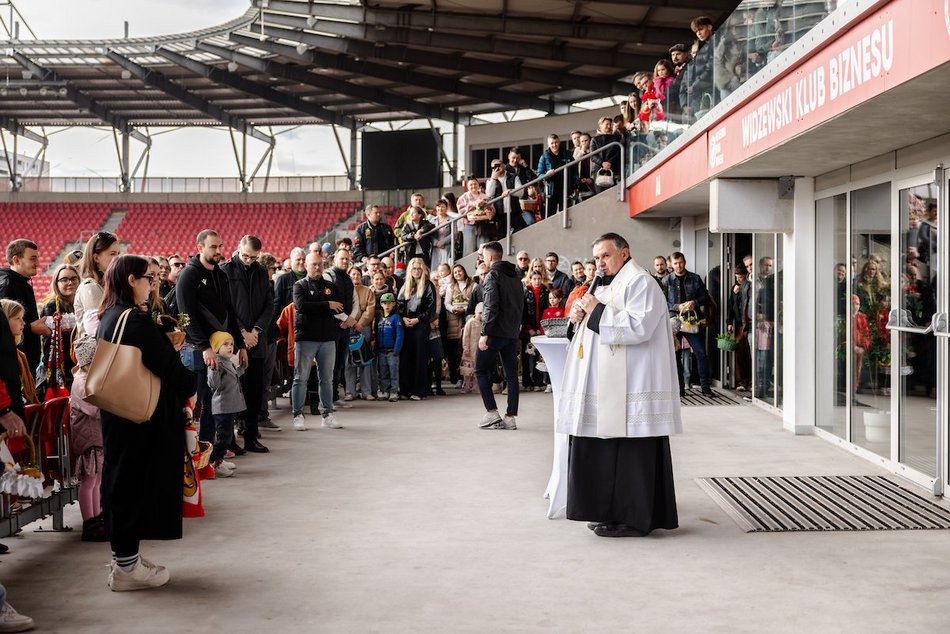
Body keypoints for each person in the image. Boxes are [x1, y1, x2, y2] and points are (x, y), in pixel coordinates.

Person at [559, 233, 681, 537]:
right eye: (596, 257)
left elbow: (637, 327)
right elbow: (596, 324)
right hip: (608, 385)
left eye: (605, 256)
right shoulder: (609, 283)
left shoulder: (641, 282)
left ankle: (634, 518)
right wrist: (578, 317)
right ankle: (609, 511)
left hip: (632, 386)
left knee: (631, 454)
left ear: (624, 253)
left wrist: (595, 311)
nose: (599, 263)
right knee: (606, 450)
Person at [97, 254, 196, 590]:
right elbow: (170, 370)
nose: (152, 285)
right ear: (131, 281)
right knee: (132, 486)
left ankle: (126, 559)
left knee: (123, 481)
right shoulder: (134, 321)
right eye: (148, 279)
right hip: (136, 418)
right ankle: (127, 568)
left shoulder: (112, 314)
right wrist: (190, 380)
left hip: (121, 413)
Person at [176, 231, 252, 453]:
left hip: (219, 350)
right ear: (200, 247)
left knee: (214, 404)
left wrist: (241, 346)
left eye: (220, 246)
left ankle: (211, 456)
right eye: (213, 247)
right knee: (200, 406)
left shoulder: (221, 275)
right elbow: (186, 315)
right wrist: (204, 347)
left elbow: (229, 312)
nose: (219, 251)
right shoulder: (188, 276)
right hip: (198, 351)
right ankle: (197, 457)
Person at [70, 231, 121, 542]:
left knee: (101, 463)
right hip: (91, 375)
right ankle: (92, 521)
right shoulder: (90, 288)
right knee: (93, 462)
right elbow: (96, 328)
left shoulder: (102, 286)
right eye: (112, 253)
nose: (115, 258)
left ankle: (100, 515)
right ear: (97, 255)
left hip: (100, 373)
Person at [219, 235, 275, 449]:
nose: (249, 261)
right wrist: (242, 331)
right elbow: (226, 306)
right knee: (233, 390)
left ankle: (251, 436)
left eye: (254, 257)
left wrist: (256, 330)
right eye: (246, 256)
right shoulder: (225, 271)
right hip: (233, 340)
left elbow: (269, 305)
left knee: (254, 390)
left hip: (256, 340)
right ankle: (230, 441)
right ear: (238, 248)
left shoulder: (261, 271)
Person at [291, 252, 344, 431]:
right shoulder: (299, 286)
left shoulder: (330, 285)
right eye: (313, 264)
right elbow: (301, 306)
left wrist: (323, 306)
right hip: (306, 338)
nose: (317, 267)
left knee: (327, 379)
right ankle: (298, 415)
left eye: (320, 264)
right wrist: (326, 305)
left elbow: (338, 306)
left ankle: (327, 414)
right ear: (306, 266)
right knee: (300, 379)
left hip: (328, 339)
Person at [474, 242, 523, 430]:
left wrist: (484, 333)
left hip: (495, 332)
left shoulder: (493, 275)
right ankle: (510, 417)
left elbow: (490, 306)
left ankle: (491, 412)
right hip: (511, 333)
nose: (483, 261)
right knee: (511, 375)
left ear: (491, 258)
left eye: (484, 257)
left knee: (480, 370)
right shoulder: (516, 277)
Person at [663, 251, 714, 396]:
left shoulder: (695, 278)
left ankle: (705, 387)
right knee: (675, 354)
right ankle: (679, 389)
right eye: (675, 263)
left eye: (681, 262)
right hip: (674, 321)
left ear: (685, 262)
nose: (678, 266)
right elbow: (661, 302)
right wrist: (676, 306)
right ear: (671, 265)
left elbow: (705, 297)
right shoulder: (666, 281)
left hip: (692, 320)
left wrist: (694, 302)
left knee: (701, 353)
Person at [0, 239, 50, 374]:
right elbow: (4, 325)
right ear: (16, 260)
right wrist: (31, 328)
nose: (38, 264)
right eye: (33, 259)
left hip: (26, 360)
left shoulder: (22, 283)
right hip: (15, 363)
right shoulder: (7, 286)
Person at [397, 257, 436, 400]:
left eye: (419, 268)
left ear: (423, 269)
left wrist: (418, 319)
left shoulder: (428, 285)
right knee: (406, 357)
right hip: (406, 324)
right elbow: (399, 305)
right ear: (410, 270)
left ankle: (419, 390)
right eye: (414, 268)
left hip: (421, 324)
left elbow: (431, 309)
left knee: (420, 357)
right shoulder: (405, 285)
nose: (417, 271)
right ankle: (405, 389)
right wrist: (403, 318)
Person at [206, 331, 243, 479]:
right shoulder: (216, 363)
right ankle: (211, 463)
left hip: (230, 405)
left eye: (231, 344)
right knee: (223, 438)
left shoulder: (228, 361)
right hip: (222, 406)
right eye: (225, 344)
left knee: (227, 436)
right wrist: (214, 370)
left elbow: (233, 377)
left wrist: (241, 368)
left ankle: (219, 460)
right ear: (216, 348)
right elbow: (213, 384)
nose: (230, 347)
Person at [39, 263, 80, 397]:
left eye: (74, 278)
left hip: (75, 365)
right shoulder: (51, 305)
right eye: (64, 279)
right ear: (56, 283)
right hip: (57, 368)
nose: (70, 282)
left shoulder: (80, 303)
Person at [345, 266, 377, 401]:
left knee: (365, 359)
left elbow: (370, 310)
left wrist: (360, 323)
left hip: (363, 328)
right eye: (353, 274)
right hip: (348, 327)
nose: (356, 277)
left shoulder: (368, 291)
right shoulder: (345, 291)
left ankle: (366, 391)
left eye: (358, 274)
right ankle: (350, 391)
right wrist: (352, 323)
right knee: (348, 361)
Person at [0, 300, 38, 405]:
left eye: (22, 318)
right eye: (17, 318)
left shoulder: (20, 354)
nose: (23, 323)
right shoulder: (5, 355)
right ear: (4, 320)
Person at [374, 292, 403, 402]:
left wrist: (396, 350)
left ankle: (394, 391)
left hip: (392, 351)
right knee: (383, 372)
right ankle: (385, 390)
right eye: (384, 303)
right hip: (381, 351)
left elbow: (400, 335)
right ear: (381, 304)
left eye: (390, 303)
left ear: (394, 304)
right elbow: (376, 333)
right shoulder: (379, 318)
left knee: (393, 372)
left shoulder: (396, 318)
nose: (387, 306)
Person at [537, 134, 571, 219]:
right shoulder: (544, 157)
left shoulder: (567, 154)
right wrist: (547, 175)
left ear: (559, 142)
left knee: (566, 214)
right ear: (549, 144)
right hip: (551, 190)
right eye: (552, 143)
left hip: (565, 188)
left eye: (556, 142)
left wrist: (575, 185)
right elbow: (539, 174)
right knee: (550, 216)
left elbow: (574, 170)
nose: (554, 145)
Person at [460, 302, 483, 394]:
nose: (481, 315)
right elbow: (465, 336)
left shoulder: (483, 323)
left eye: (482, 313)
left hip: (478, 350)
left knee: (477, 371)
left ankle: (476, 386)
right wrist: (465, 348)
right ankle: (466, 386)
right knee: (467, 371)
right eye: (479, 313)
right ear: (476, 312)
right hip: (469, 350)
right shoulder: (470, 322)